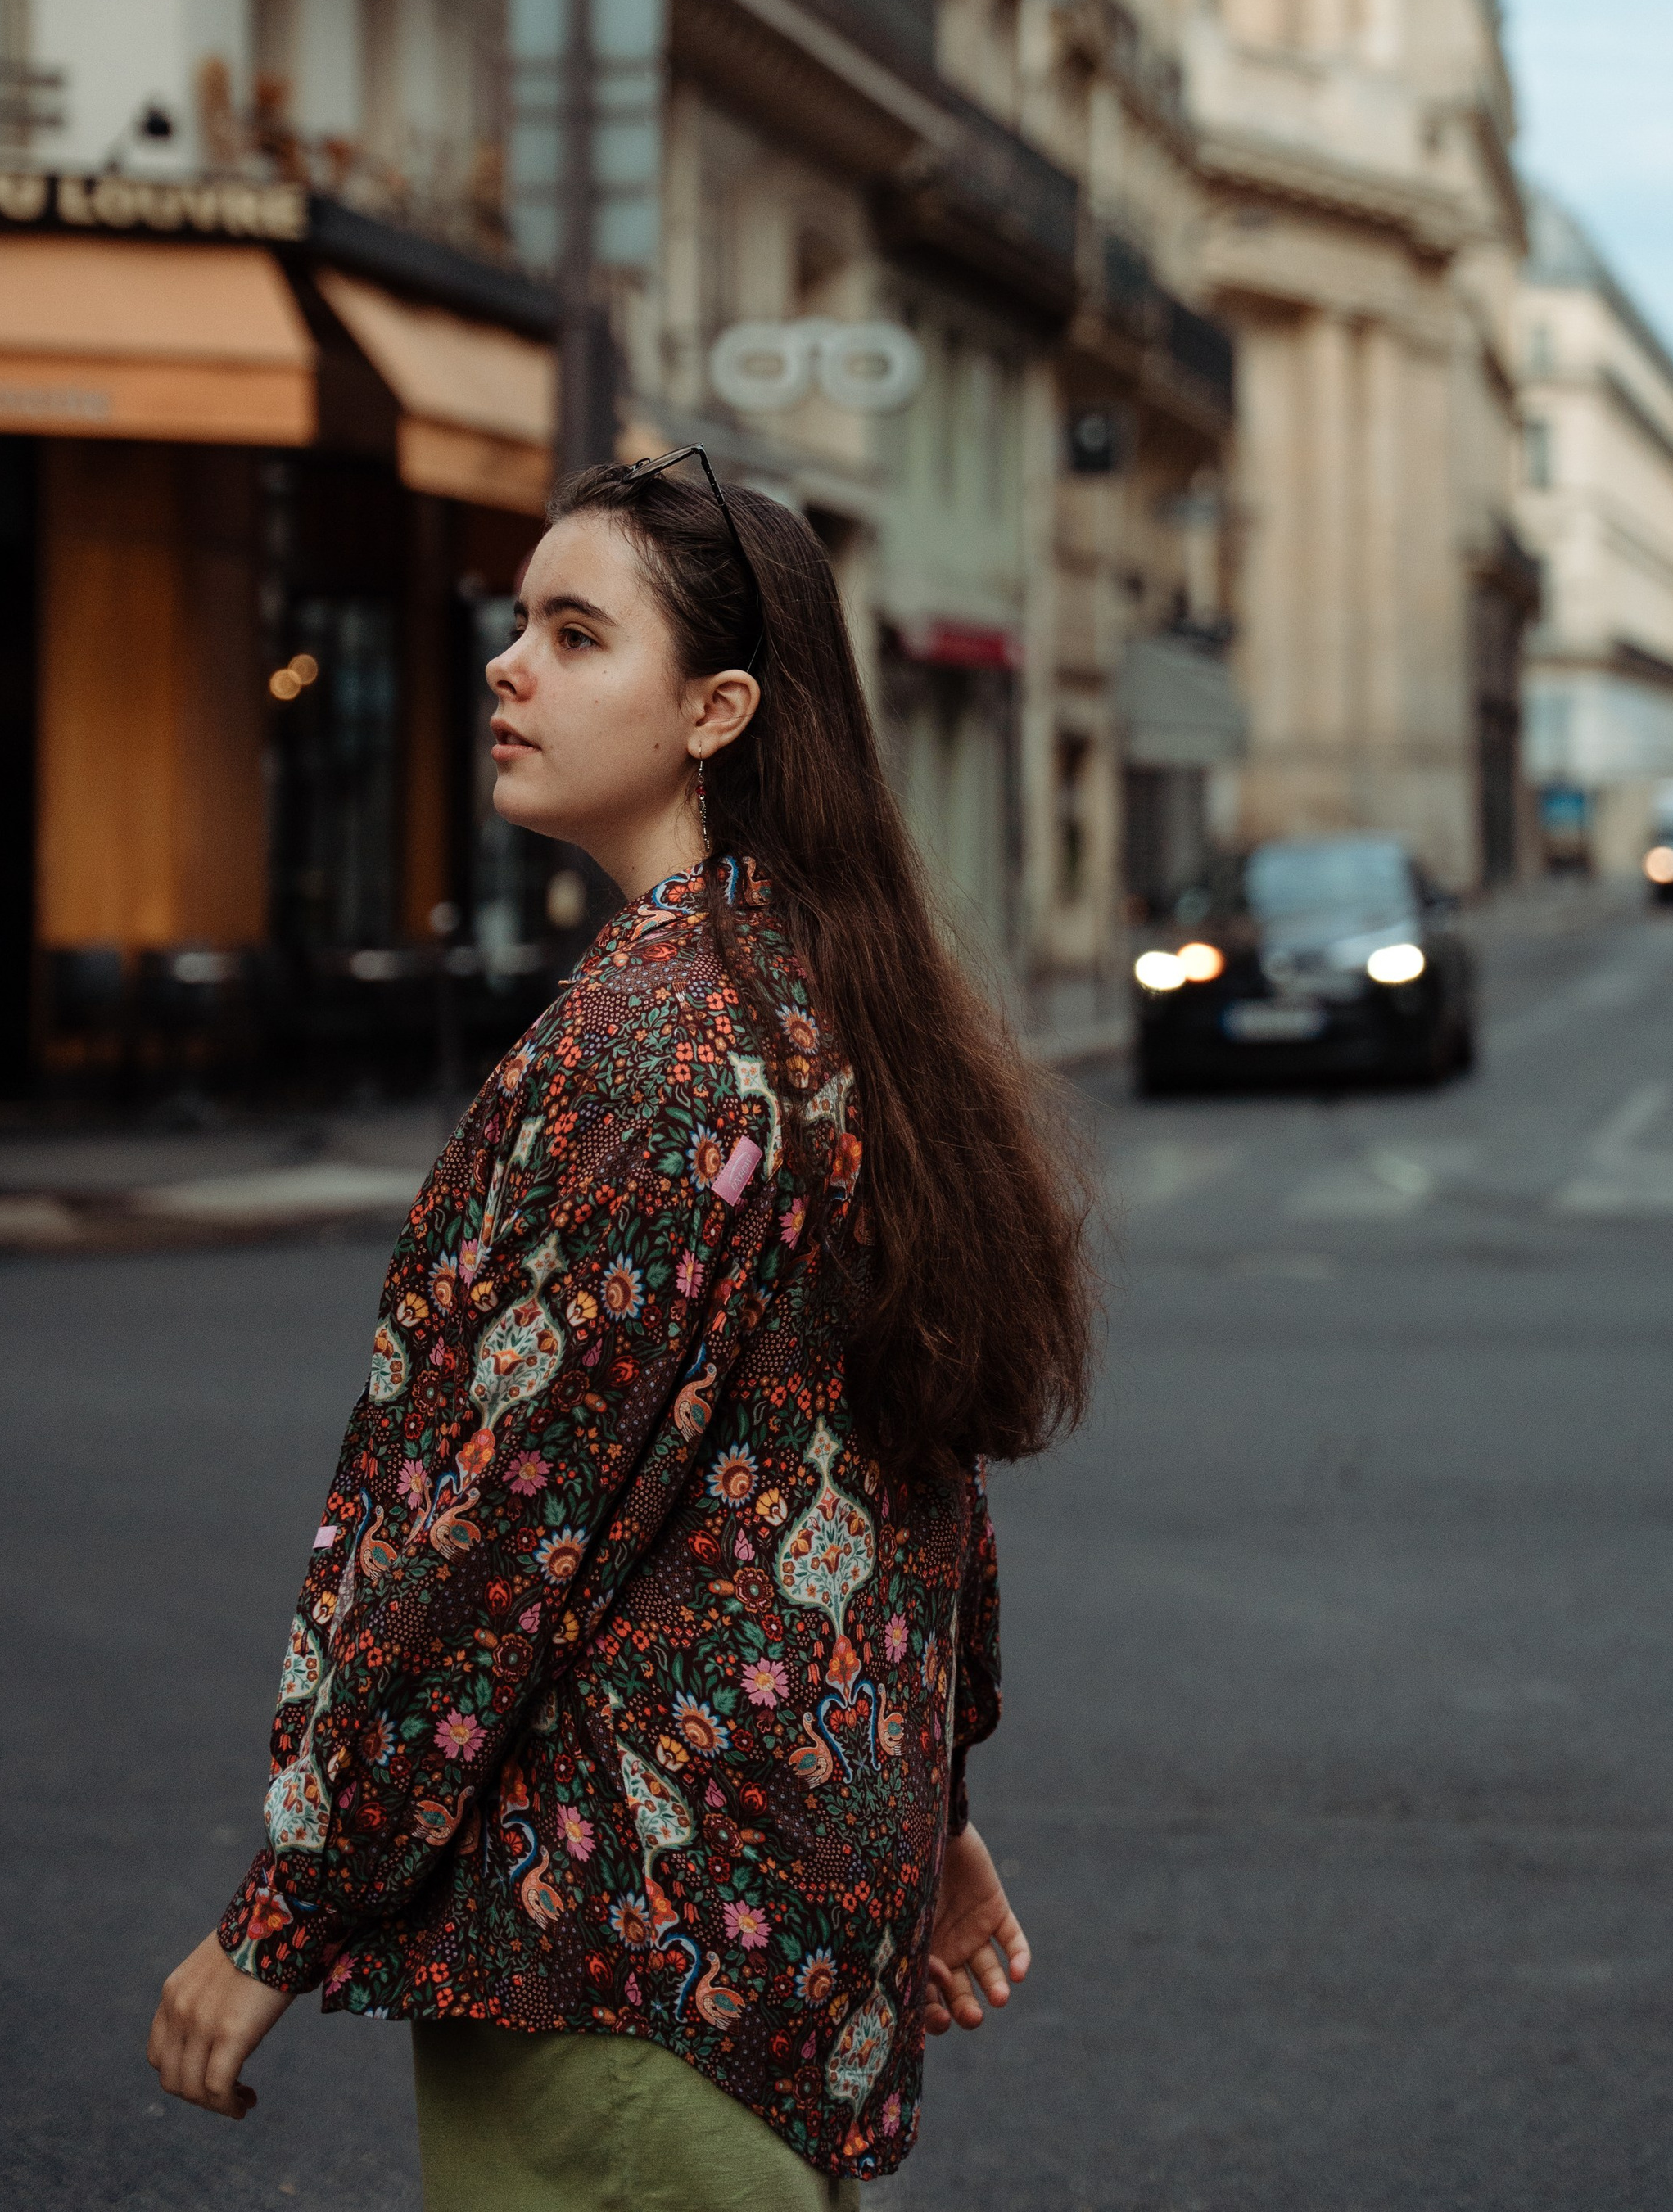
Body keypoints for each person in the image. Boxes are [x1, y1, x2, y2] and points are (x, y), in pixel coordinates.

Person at [147, 449, 1096, 2203]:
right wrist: (935, 1814)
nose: (509, 667)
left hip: (616, 1942)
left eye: (576, 635)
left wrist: (281, 1915)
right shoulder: (831, 1004)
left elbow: (492, 1537)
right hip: (777, 1935)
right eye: (520, 625)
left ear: (716, 709)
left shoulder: (653, 1047)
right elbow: (904, 1475)